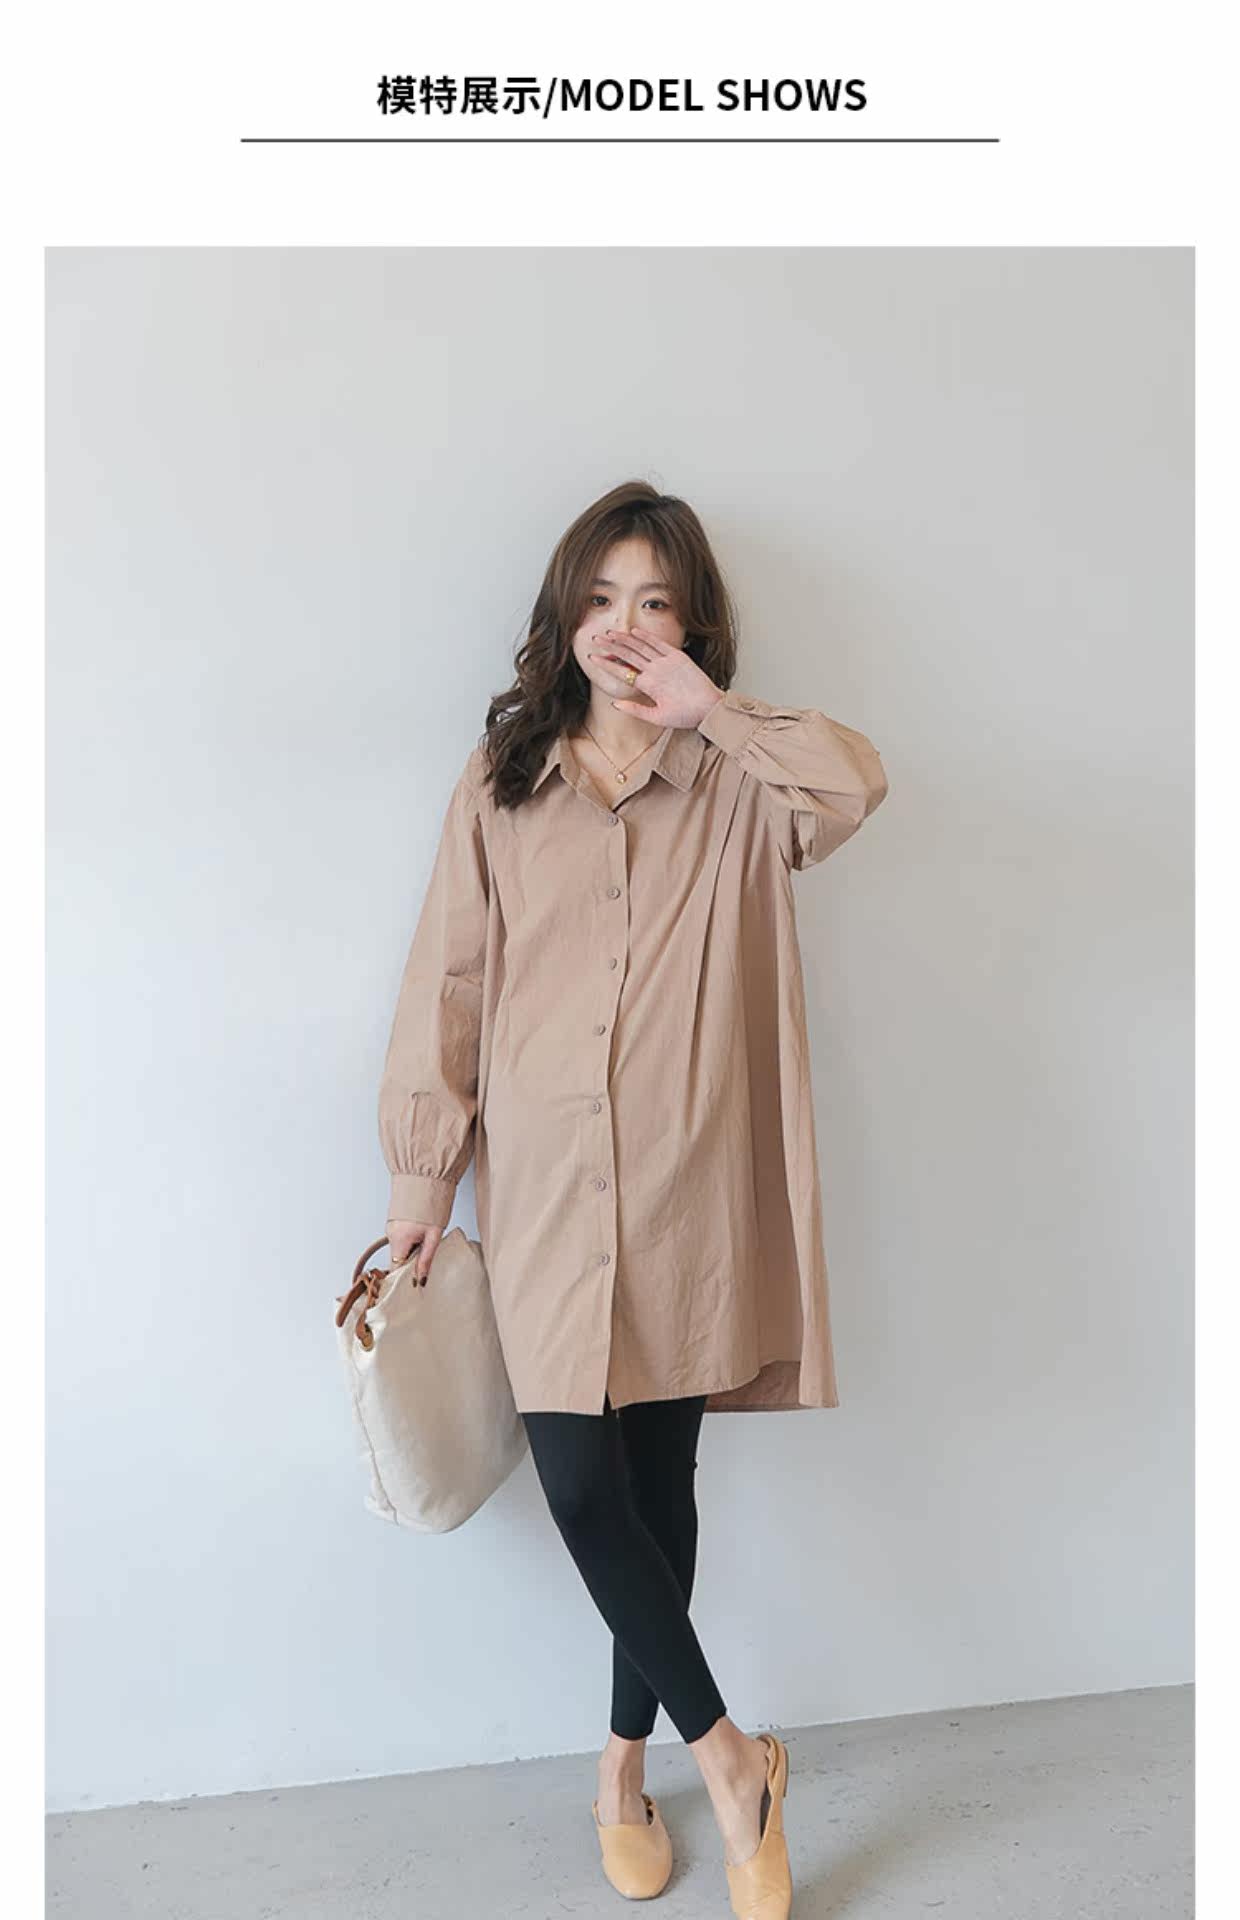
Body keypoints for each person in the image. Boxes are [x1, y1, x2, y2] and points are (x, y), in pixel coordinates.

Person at [378, 478, 888, 1917]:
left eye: (655, 602)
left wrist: (708, 710)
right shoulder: (501, 780)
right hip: (545, 1184)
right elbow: (449, 981)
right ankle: (731, 1761)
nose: (623, 625)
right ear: (564, 615)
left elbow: (853, 787)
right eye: (600, 598)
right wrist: (423, 1171)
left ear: (691, 627)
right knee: (583, 1485)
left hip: (684, 1180)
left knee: (658, 1491)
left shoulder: (737, 782)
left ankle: (619, 1767)